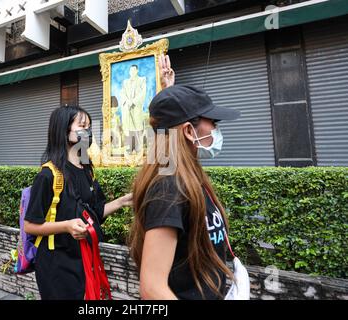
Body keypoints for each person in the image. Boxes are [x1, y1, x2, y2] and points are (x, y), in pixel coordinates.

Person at [129, 75, 241, 298]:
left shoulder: (188, 176)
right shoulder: (168, 189)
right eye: (214, 123)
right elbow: (152, 289)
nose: (217, 130)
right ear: (189, 131)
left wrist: (169, 91)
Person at [24, 105, 132, 300]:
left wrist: (122, 201)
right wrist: (66, 226)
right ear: (63, 129)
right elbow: (30, 225)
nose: (88, 131)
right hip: (55, 263)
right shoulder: (48, 175)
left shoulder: (87, 170)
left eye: (89, 126)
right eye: (82, 125)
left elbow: (94, 212)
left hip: (83, 258)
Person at [120, 65, 147, 155]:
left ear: (137, 71)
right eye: (130, 71)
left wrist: (134, 102)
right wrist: (127, 101)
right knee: (128, 128)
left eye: (134, 70)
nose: (132, 72)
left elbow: (143, 93)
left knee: (137, 126)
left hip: (136, 107)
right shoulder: (125, 82)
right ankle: (129, 147)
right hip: (127, 108)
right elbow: (122, 93)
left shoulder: (142, 80)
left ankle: (139, 148)